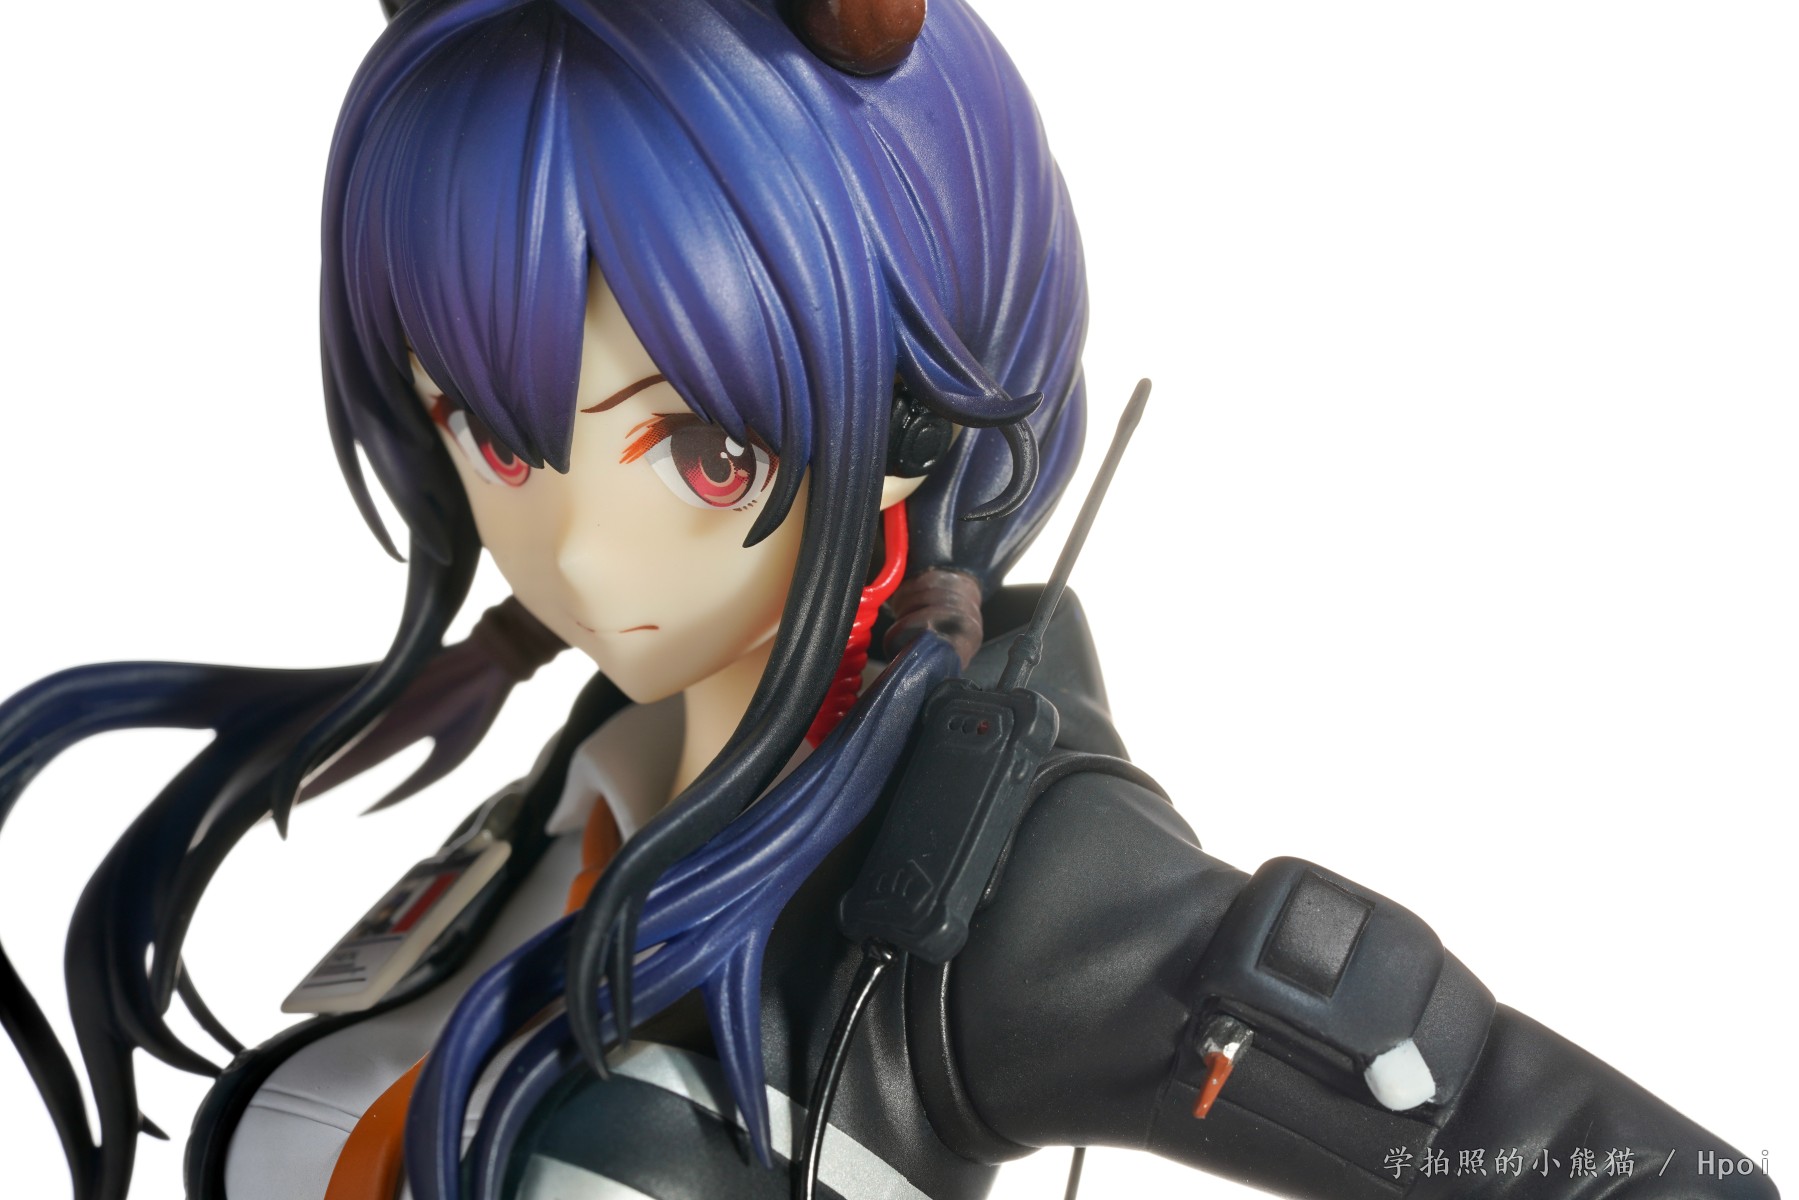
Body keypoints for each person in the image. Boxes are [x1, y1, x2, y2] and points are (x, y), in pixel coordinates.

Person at [1, 1, 1788, 1199]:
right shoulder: (588, 782)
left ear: (923, 421)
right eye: (493, 424)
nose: (584, 552)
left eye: (704, 450)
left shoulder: (994, 888)